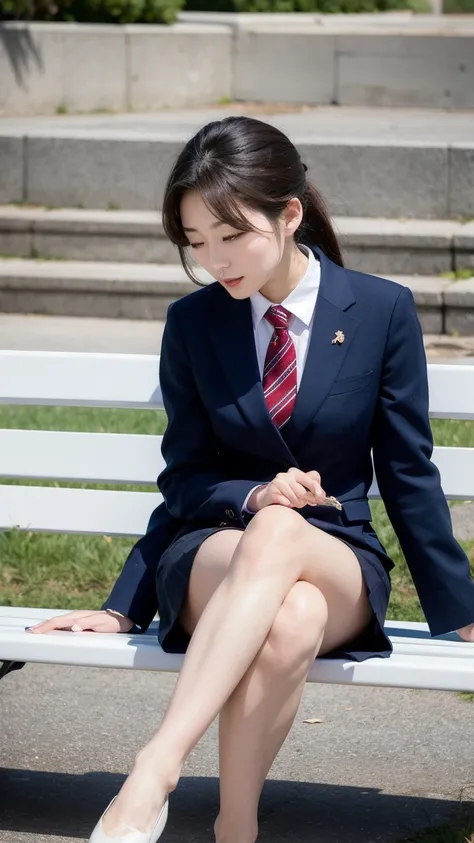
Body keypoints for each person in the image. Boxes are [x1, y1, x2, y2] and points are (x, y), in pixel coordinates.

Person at [26, 115, 474, 843]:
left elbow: (407, 470)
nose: (215, 260)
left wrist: (460, 610)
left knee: (292, 558)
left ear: (289, 213)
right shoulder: (194, 323)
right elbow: (187, 480)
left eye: (231, 235)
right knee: (287, 605)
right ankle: (234, 827)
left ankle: (154, 767)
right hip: (215, 553)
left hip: (337, 559)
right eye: (197, 243)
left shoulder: (380, 310)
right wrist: (252, 497)